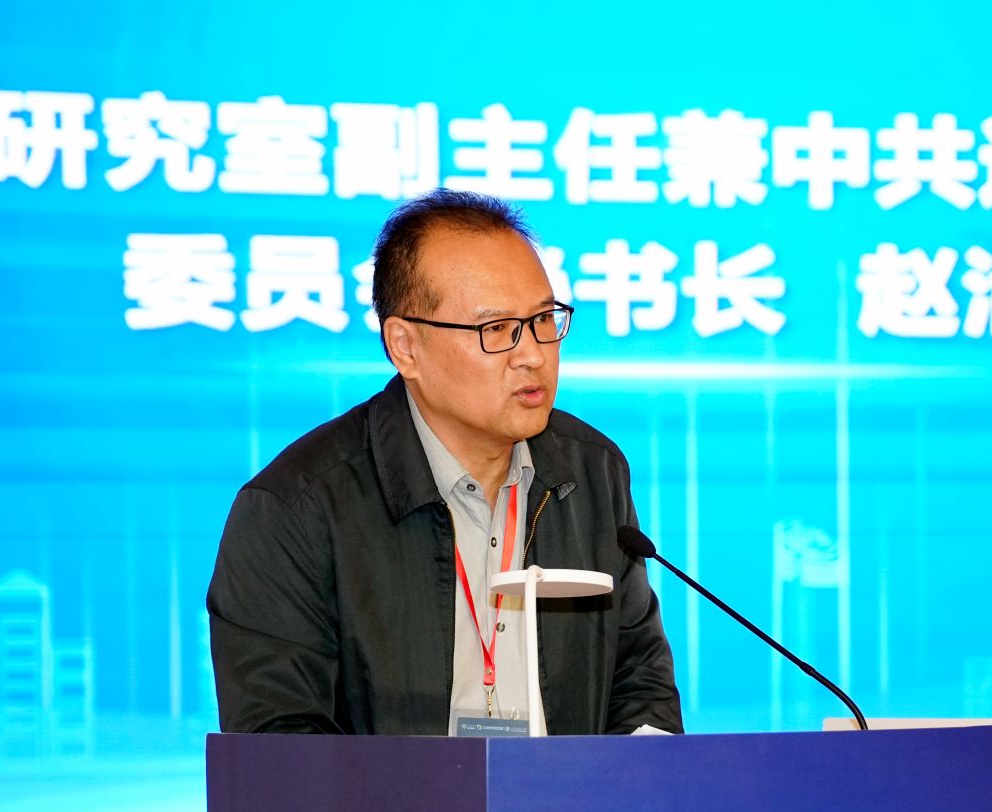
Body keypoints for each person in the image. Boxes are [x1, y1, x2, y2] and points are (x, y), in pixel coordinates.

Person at [206, 190, 682, 737]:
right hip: (397, 799)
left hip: (567, 797)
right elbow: (279, 743)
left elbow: (640, 683)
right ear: (405, 347)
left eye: (544, 319)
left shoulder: (592, 472)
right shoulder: (296, 509)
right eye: (496, 329)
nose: (533, 354)